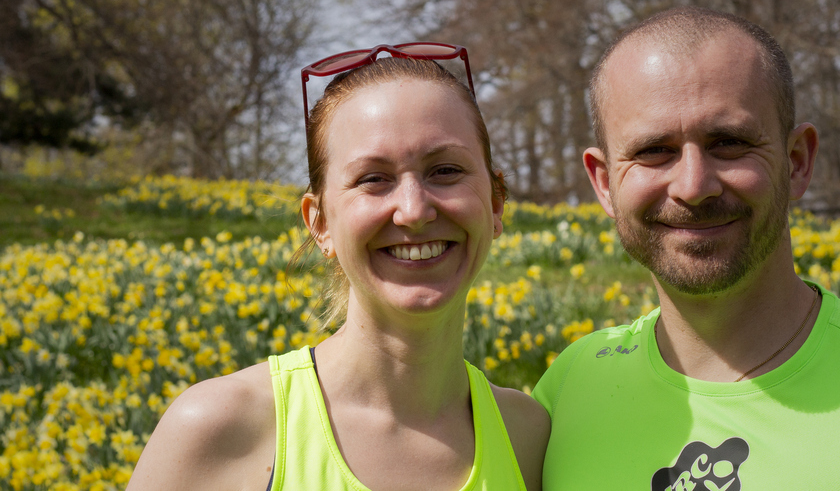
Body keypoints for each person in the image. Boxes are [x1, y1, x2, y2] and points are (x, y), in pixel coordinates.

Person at [532, 7, 840, 490]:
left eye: (728, 143)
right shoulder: (567, 391)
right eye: (654, 151)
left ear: (797, 162)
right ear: (604, 183)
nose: (694, 186)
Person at [128, 45, 549, 491]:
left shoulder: (528, 437)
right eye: (373, 179)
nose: (413, 211)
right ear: (320, 223)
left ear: (495, 203)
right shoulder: (222, 430)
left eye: (445, 170)